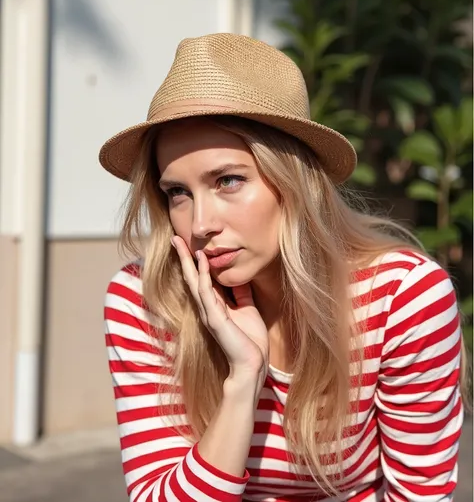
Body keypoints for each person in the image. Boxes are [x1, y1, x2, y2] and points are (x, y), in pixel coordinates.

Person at [100, 33, 466, 502]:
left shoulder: (401, 299)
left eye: (228, 180)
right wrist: (243, 380)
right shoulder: (146, 299)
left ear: (294, 180)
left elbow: (420, 495)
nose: (201, 224)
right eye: (178, 193)